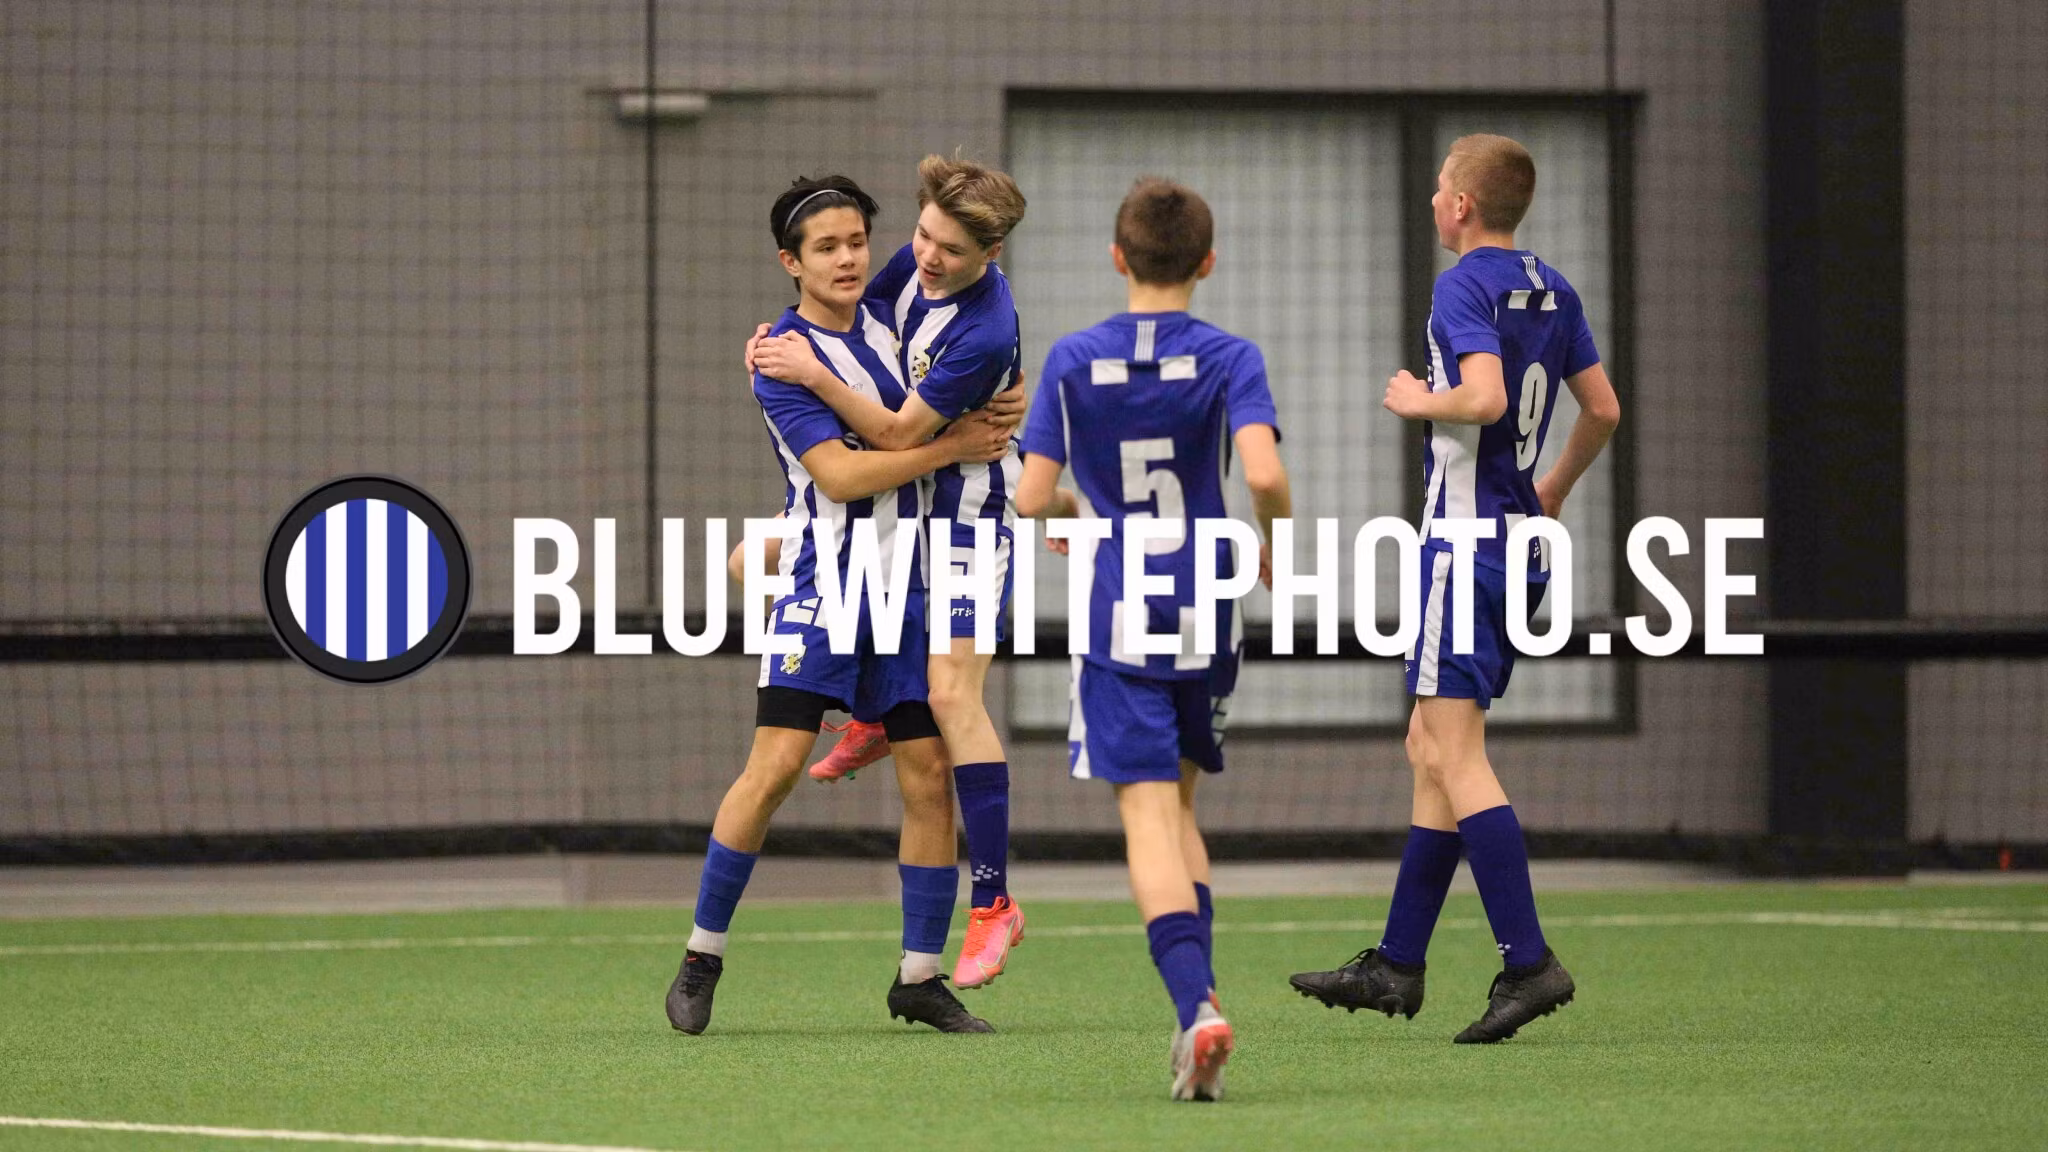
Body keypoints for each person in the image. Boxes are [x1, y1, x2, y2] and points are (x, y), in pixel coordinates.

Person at [1288, 134, 1621, 1044]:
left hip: (1464, 548)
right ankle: (1398, 963)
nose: (1436, 199)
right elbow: (1602, 408)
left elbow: (1482, 398)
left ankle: (1529, 962)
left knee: (1456, 754)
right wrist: (1551, 491)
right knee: (1429, 746)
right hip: (1518, 545)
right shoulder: (1554, 288)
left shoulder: (1462, 286)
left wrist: (1415, 399)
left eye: (1442, 187)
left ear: (1464, 205)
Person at [664, 175, 1013, 1037]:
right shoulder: (781, 360)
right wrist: (953, 448)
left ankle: (919, 977)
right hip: (826, 588)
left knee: (928, 777)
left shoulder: (895, 319)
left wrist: (1000, 405)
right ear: (791, 263)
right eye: (826, 247)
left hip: (910, 591)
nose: (849, 258)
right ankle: (703, 955)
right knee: (774, 768)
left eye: (857, 240)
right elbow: (844, 475)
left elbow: (963, 342)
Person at [1015, 177, 1290, 1101]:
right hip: (1210, 603)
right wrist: (1276, 544)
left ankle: (1194, 1009)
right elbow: (1264, 475)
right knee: (1181, 811)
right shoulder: (1231, 356)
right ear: (1206, 262)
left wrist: (1076, 509)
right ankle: (1195, 1016)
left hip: (1122, 615)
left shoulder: (1072, 357)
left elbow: (1029, 497)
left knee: (1146, 820)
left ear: (1116, 257)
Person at [750, 152, 1031, 989]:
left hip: (968, 514)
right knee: (750, 558)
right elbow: (849, 324)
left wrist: (806, 372)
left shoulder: (983, 330)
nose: (927, 256)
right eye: (923, 236)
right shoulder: (916, 257)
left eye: (951, 249)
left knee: (952, 697)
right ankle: (875, 714)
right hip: (906, 507)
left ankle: (994, 903)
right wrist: (780, 347)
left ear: (992, 253)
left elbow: (901, 433)